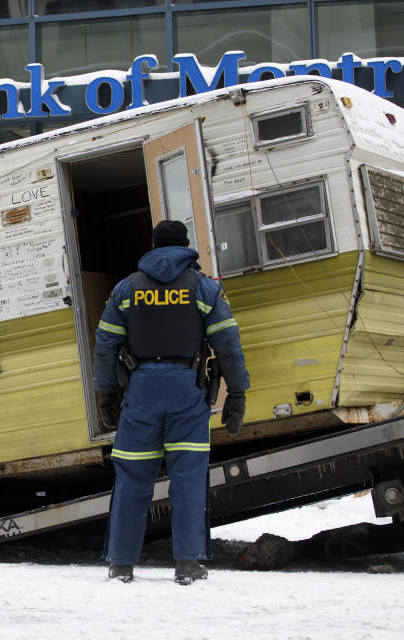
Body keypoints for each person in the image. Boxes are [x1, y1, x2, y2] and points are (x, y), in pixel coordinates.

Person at [93, 219, 249, 585]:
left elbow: (105, 347)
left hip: (141, 392)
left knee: (132, 479)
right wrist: (237, 394)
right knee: (189, 479)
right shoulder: (204, 288)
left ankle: (121, 564)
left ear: (152, 245)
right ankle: (188, 565)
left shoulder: (126, 289)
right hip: (187, 391)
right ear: (185, 246)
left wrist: (106, 397)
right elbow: (227, 344)